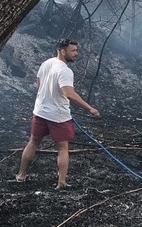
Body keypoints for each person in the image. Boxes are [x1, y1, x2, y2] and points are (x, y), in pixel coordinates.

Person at [15, 39, 100, 188]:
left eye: (76, 50)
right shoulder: (65, 71)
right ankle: (61, 182)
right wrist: (89, 108)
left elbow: (38, 84)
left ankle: (21, 175)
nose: (76, 54)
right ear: (62, 51)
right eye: (73, 51)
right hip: (58, 116)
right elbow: (69, 93)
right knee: (62, 148)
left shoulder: (46, 63)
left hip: (40, 111)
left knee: (33, 142)